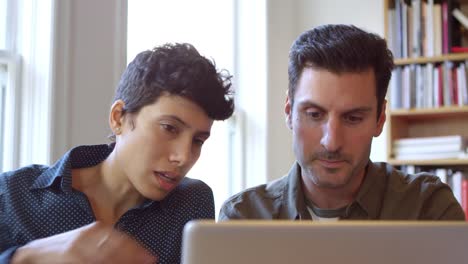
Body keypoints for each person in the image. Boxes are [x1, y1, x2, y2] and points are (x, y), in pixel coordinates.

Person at [0, 43, 234, 263]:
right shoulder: (12, 195)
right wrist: (24, 257)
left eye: (198, 140)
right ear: (118, 117)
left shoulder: (193, 202)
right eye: (169, 128)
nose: (183, 157)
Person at [219, 24, 465, 221]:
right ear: (288, 111)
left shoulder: (428, 209)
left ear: (380, 119)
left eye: (353, 118)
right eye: (314, 115)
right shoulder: (243, 216)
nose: (332, 141)